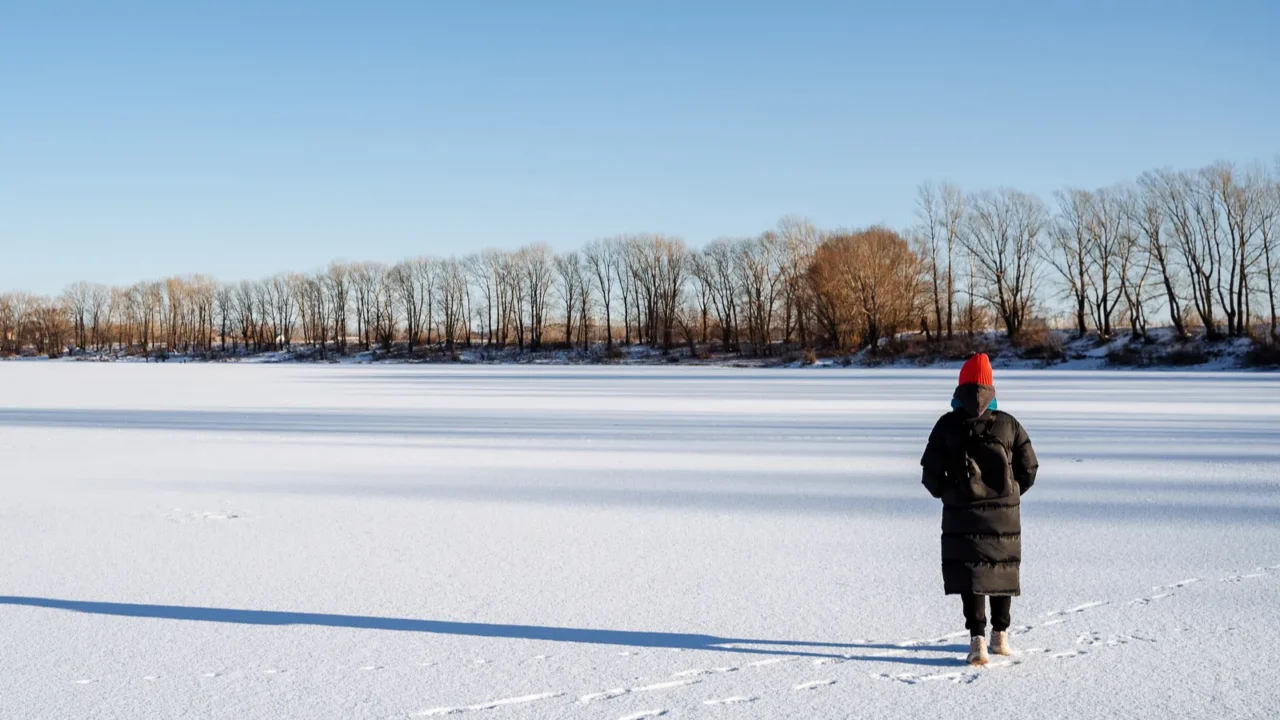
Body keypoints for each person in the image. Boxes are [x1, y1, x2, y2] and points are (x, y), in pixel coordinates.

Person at [920, 353, 1038, 666]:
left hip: (963, 513)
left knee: (972, 574)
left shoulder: (947, 425)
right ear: (990, 387)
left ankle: (977, 641)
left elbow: (929, 476)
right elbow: (1030, 468)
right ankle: (1002, 636)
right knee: (1001, 571)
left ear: (960, 386)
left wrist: (951, 494)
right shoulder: (1008, 424)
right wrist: (1010, 495)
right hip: (1004, 515)